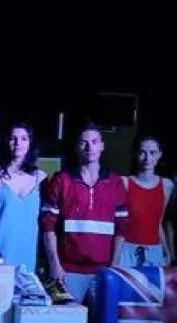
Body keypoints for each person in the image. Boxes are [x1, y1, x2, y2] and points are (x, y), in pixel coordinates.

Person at [41, 124, 128, 303]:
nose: (89, 147)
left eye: (94, 142)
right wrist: (55, 265)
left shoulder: (115, 182)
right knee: (68, 320)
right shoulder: (62, 180)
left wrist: (113, 267)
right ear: (76, 147)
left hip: (103, 272)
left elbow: (121, 229)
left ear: (102, 146)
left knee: (101, 321)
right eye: (84, 143)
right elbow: (48, 226)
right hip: (67, 271)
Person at [0, 122, 47, 269]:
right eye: (13, 138)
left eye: (23, 138)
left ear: (30, 143)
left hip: (28, 253)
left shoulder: (40, 177)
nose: (18, 143)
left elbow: (44, 223)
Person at [117, 135, 174, 268]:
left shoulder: (167, 185)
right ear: (135, 154)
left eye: (152, 153)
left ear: (159, 155)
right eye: (142, 153)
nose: (147, 158)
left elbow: (158, 223)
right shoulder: (124, 183)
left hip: (154, 251)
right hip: (127, 250)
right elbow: (119, 224)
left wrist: (167, 252)